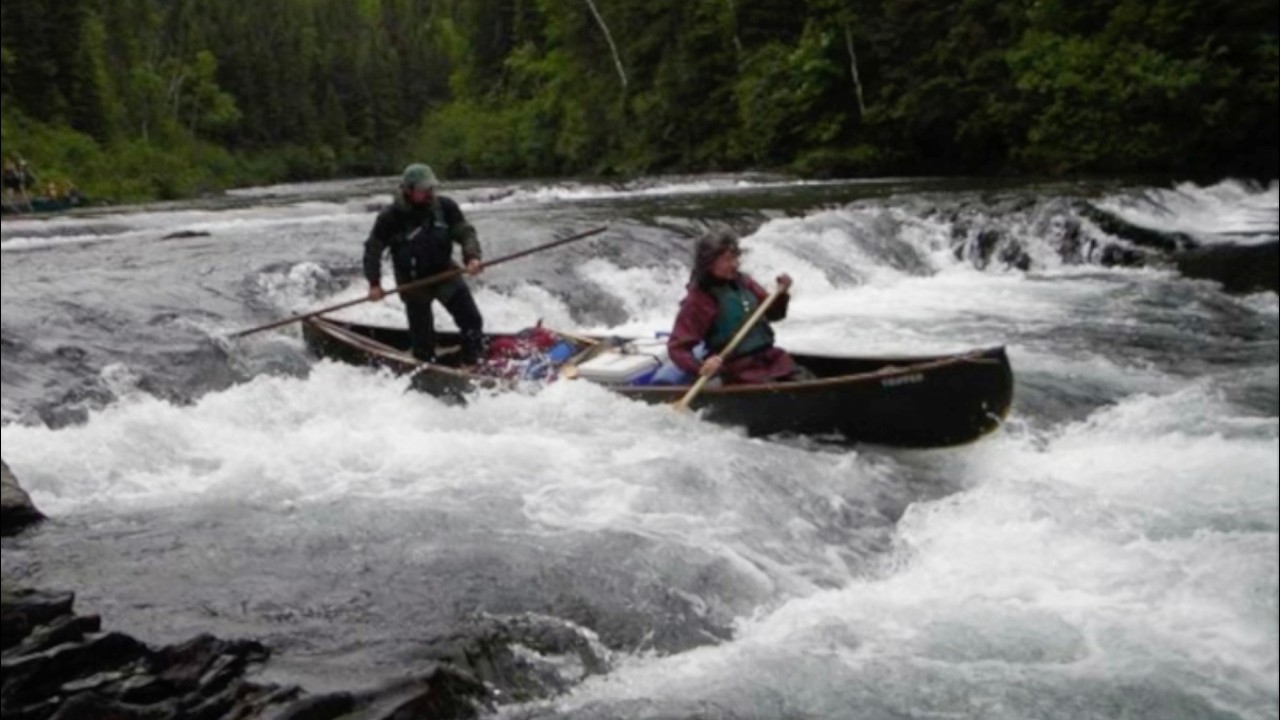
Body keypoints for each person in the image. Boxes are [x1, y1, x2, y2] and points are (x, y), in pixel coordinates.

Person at [364, 163, 485, 365]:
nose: (430, 193)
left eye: (431, 188)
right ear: (409, 190)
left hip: (445, 273)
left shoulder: (445, 207)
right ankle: (427, 366)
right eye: (424, 189)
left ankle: (473, 360)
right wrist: (374, 284)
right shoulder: (390, 218)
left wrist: (472, 257)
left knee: (472, 321)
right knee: (423, 344)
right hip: (413, 283)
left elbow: (465, 233)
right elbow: (372, 250)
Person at [666, 228, 809, 385]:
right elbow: (677, 348)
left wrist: (781, 294)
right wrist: (701, 367)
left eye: (736, 257)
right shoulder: (698, 300)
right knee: (775, 388)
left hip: (771, 358)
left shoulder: (744, 282)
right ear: (709, 263)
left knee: (804, 378)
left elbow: (775, 315)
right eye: (728, 259)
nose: (735, 264)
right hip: (738, 369)